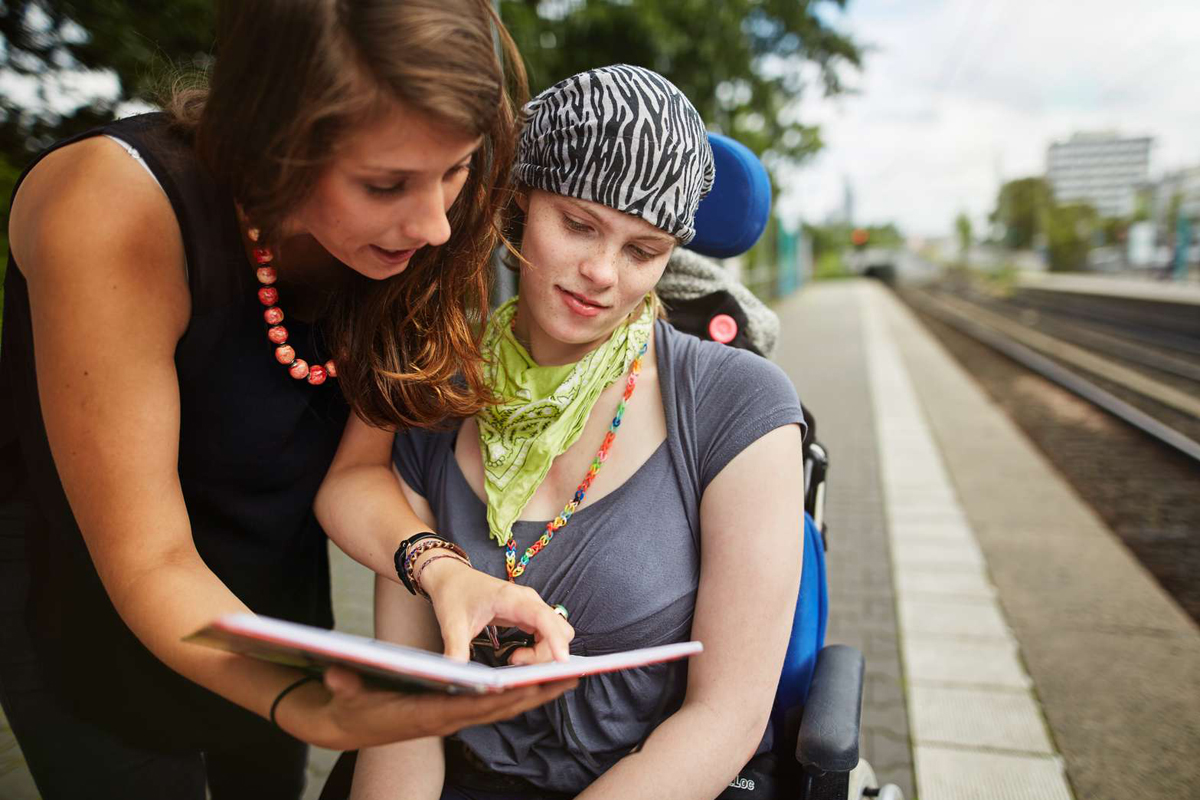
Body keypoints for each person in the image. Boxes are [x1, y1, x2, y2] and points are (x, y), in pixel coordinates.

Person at [0, 2, 575, 798]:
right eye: (385, 184)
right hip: (88, 614)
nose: (436, 225)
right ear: (270, 139)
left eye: (457, 170)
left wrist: (446, 572)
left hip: (273, 607)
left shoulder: (421, 227)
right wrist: (312, 705)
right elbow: (149, 559)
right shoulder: (112, 208)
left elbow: (358, 469)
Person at [320, 65, 807, 800]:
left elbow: (727, 716)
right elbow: (408, 706)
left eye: (643, 251)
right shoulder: (439, 387)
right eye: (578, 225)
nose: (601, 273)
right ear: (520, 204)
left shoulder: (737, 405)